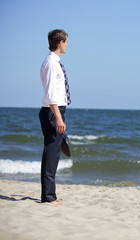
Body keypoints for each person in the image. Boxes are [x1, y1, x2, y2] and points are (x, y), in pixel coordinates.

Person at [39, 29, 71, 205]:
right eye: (66, 41)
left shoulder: (54, 62)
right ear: (60, 42)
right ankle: (49, 196)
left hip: (55, 111)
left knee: (54, 152)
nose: (67, 45)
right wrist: (58, 117)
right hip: (53, 111)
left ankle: (49, 194)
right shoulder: (51, 63)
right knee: (51, 154)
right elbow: (51, 94)